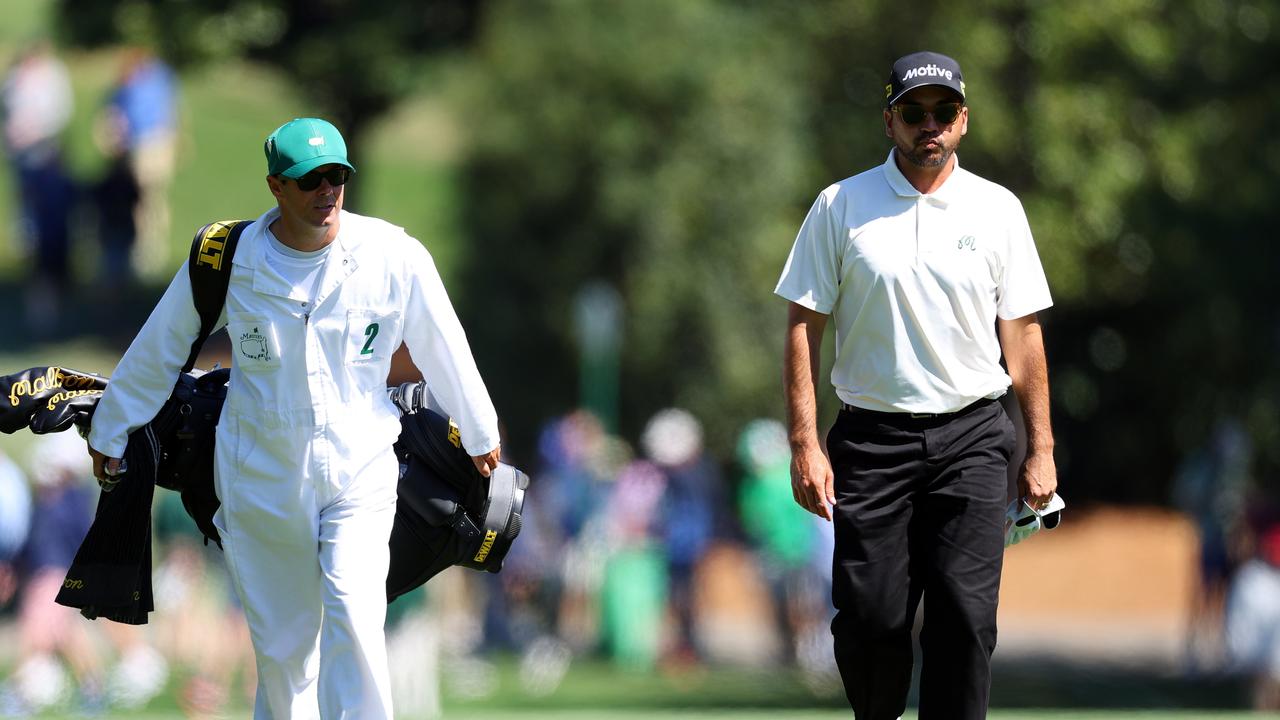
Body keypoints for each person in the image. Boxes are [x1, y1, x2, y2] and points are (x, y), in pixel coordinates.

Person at [86, 117, 502, 718]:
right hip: (258, 474)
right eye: (309, 180)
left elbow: (445, 346)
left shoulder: (394, 255)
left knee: (357, 615)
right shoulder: (228, 258)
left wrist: (481, 432)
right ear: (276, 186)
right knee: (285, 656)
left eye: (336, 176)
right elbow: (160, 346)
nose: (326, 191)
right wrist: (111, 428)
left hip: (360, 465)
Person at [776, 52, 1056, 719]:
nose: (928, 125)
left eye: (942, 111)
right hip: (872, 439)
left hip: (974, 436)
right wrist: (805, 443)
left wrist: (1040, 447)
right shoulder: (840, 206)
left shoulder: (997, 209)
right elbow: (802, 325)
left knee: (964, 615)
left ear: (963, 119)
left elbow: (1023, 337)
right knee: (872, 619)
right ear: (890, 121)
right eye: (913, 112)